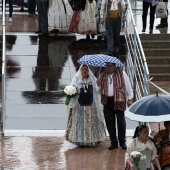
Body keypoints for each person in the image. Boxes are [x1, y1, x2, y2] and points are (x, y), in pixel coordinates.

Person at [65, 64, 106, 147]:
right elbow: (72, 89)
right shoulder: (76, 79)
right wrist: (71, 92)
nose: (84, 71)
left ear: (88, 71)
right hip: (79, 107)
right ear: (80, 71)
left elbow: (98, 91)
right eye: (82, 69)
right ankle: (80, 141)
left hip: (91, 106)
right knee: (80, 123)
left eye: (86, 69)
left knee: (92, 122)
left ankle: (92, 140)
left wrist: (98, 84)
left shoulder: (92, 79)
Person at [96, 62, 133, 150]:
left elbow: (128, 87)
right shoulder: (102, 75)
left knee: (121, 122)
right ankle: (113, 142)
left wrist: (130, 98)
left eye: (110, 66)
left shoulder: (122, 74)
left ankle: (122, 141)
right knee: (109, 123)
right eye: (106, 66)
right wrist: (98, 83)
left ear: (114, 66)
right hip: (107, 101)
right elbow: (98, 91)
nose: (107, 68)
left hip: (119, 101)